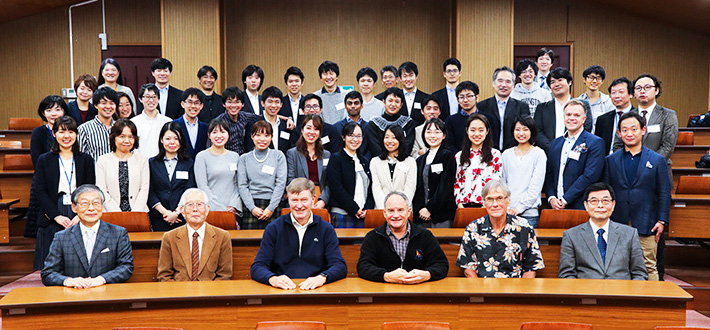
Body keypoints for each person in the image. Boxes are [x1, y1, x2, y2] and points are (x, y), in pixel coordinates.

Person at [604, 112, 671, 281]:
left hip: (647, 222)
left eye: (634, 129)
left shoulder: (657, 160)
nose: (629, 133)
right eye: (624, 130)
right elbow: (606, 192)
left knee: (648, 266)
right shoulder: (611, 160)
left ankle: (652, 305)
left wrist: (662, 220)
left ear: (643, 130)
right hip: (618, 221)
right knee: (616, 266)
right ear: (619, 133)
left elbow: (664, 193)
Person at [251, 178, 347, 290]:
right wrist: (273, 279)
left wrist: (322, 278)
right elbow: (257, 266)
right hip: (282, 291)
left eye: (304, 200)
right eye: (294, 200)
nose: (299, 205)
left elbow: (339, 266)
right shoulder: (274, 228)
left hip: (316, 290)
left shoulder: (326, 229)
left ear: (313, 199)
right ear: (288, 201)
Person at [32, 116, 96, 270]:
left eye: (71, 132)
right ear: (54, 134)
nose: (66, 136)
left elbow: (89, 188)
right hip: (52, 211)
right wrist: (56, 216)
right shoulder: (44, 159)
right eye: (62, 132)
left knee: (77, 264)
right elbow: (39, 191)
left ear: (76, 134)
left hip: (79, 210)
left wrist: (79, 215)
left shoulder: (85, 159)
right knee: (49, 265)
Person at [41, 184, 134, 287]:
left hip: (107, 294)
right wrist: (68, 281)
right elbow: (48, 273)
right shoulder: (62, 237)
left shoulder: (118, 233)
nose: (91, 208)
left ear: (102, 206)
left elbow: (126, 267)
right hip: (74, 295)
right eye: (85, 204)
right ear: (74, 207)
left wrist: (102, 279)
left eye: (96, 203)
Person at [456, 180, 544, 278]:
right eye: (489, 199)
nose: (495, 204)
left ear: (508, 201)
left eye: (500, 198)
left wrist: (521, 291)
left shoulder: (524, 227)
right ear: (484, 203)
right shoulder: (473, 228)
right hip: (482, 288)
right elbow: (469, 270)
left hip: (515, 289)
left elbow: (530, 269)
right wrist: (479, 292)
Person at [558, 183, 648, 280]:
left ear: (613, 205)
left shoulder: (630, 234)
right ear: (586, 205)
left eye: (605, 201)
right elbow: (566, 275)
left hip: (621, 292)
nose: (600, 205)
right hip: (586, 293)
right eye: (594, 201)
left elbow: (639, 274)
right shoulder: (571, 236)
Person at [357, 191, 449, 283]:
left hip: (418, 291)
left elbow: (441, 264)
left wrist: (426, 275)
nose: (396, 215)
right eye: (391, 211)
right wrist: (386, 276)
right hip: (384, 291)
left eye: (400, 210)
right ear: (384, 213)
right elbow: (363, 266)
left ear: (408, 212)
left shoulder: (425, 235)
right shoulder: (373, 236)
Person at [157, 188, 233, 281]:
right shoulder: (170, 237)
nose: (195, 209)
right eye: (190, 205)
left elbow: (224, 276)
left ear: (207, 209)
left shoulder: (222, 236)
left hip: (210, 293)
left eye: (200, 204)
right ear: (182, 210)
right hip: (180, 292)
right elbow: (164, 276)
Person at [545, 99, 604, 210]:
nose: (571, 118)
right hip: (555, 207)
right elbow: (549, 174)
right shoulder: (556, 143)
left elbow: (590, 176)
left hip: (580, 206)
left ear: (584, 119)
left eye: (576, 115)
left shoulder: (595, 142)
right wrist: (551, 198)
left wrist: (565, 199)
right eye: (568, 114)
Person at [26, 95, 68, 238]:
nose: (54, 114)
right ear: (43, 113)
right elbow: (36, 159)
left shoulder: (69, 132)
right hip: (45, 181)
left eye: (58, 109)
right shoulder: (38, 132)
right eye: (49, 110)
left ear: (64, 111)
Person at [237, 120, 287, 229]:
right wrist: (252, 208)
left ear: (271, 137)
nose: (262, 139)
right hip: (251, 205)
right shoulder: (243, 159)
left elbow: (280, 184)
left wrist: (271, 208)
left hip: (274, 204)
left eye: (266, 135)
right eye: (258, 135)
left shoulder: (278, 156)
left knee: (274, 243)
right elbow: (242, 185)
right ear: (252, 136)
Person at [148, 122, 196, 231]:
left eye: (176, 138)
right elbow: (150, 192)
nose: (172, 142)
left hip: (181, 216)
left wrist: (176, 213)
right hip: (159, 217)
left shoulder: (188, 163)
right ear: (161, 140)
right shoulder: (152, 163)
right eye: (168, 138)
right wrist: (165, 212)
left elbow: (189, 190)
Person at [500, 116, 546, 228]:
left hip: (529, 214)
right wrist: (507, 208)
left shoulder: (538, 154)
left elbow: (536, 186)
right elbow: (502, 183)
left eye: (525, 129)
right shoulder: (506, 154)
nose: (521, 133)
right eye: (517, 129)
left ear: (532, 131)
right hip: (507, 212)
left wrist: (519, 208)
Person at [95, 119, 150, 212]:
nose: (127, 141)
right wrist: (117, 213)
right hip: (110, 213)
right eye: (122, 136)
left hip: (138, 213)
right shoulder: (103, 160)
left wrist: (135, 213)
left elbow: (144, 189)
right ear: (114, 137)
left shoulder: (142, 160)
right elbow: (102, 190)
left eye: (131, 137)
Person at [534, 67, 593, 153]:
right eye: (552, 82)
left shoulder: (582, 105)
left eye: (560, 80)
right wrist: (553, 148)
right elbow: (537, 132)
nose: (556, 84)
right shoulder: (542, 108)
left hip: (574, 152)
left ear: (569, 82)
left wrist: (569, 148)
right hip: (548, 153)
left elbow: (587, 127)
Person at [326, 122, 373, 228]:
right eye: (351, 135)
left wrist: (366, 209)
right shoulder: (336, 159)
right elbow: (337, 188)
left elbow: (370, 189)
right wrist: (354, 209)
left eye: (358, 136)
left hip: (363, 215)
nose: (355, 139)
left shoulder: (364, 161)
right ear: (343, 137)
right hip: (342, 214)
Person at [413, 118, 457, 228]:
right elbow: (418, 189)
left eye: (437, 132)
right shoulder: (420, 160)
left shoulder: (447, 156)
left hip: (442, 215)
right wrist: (421, 210)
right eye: (429, 132)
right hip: (422, 216)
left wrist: (429, 208)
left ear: (444, 135)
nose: (432, 136)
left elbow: (445, 187)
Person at [194, 119, 242, 215]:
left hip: (232, 210)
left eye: (223, 132)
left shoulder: (235, 156)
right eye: (215, 132)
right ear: (209, 135)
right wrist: (220, 208)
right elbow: (202, 185)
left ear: (228, 134)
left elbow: (238, 184)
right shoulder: (202, 156)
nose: (219, 136)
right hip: (211, 209)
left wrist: (233, 205)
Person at [476, 67, 530, 151]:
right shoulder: (481, 106)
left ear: (513, 85)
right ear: (493, 83)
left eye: (508, 81)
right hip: (487, 153)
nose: (504, 85)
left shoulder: (522, 107)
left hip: (514, 153)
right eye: (500, 81)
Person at [454, 114, 502, 207]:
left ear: (487, 131)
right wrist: (459, 204)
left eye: (481, 130)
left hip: (486, 205)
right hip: (464, 206)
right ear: (467, 131)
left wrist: (487, 203)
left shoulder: (495, 155)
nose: (476, 134)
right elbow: (457, 182)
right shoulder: (459, 156)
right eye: (472, 130)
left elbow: (496, 181)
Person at [287, 114, 330, 209]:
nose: (312, 132)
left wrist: (323, 200)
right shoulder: (292, 153)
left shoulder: (326, 155)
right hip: (299, 198)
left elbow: (329, 182)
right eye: (309, 128)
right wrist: (303, 199)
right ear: (302, 130)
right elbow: (291, 180)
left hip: (320, 199)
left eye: (316, 129)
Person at [370, 125, 417, 209]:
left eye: (394, 137)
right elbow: (376, 188)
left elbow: (410, 188)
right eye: (386, 137)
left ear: (400, 140)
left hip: (404, 210)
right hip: (382, 210)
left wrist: (400, 208)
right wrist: (386, 209)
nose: (389, 141)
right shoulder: (375, 162)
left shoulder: (410, 162)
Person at [364, 87, 416, 157]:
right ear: (384, 102)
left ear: (401, 105)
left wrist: (396, 160)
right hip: (380, 162)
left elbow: (408, 146)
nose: (393, 104)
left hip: (402, 162)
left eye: (397, 102)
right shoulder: (373, 124)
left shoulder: (408, 123)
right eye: (390, 101)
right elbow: (375, 148)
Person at [444, 81, 494, 153]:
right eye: (461, 97)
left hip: (485, 158)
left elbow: (493, 142)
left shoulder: (488, 119)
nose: (465, 100)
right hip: (459, 160)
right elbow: (449, 145)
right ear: (457, 100)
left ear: (477, 97)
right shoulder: (451, 120)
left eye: (469, 96)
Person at [244, 86, 294, 154]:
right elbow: (249, 148)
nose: (273, 105)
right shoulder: (254, 124)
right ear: (262, 103)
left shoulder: (287, 125)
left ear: (281, 104)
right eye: (270, 101)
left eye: (277, 102)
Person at [595, 77, 636, 155]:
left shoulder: (638, 116)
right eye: (613, 92)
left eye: (621, 92)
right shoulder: (602, 119)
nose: (617, 96)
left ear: (631, 94)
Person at [215, 86, 261, 154]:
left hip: (244, 159)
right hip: (226, 158)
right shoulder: (219, 121)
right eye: (230, 102)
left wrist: (281, 118)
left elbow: (262, 117)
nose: (233, 105)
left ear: (243, 104)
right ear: (224, 104)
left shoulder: (244, 116)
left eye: (237, 102)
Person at [78, 87, 118, 163]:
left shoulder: (120, 128)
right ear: (96, 105)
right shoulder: (84, 129)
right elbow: (80, 157)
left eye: (112, 103)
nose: (108, 106)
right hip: (94, 173)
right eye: (104, 103)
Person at [131, 83, 172, 158]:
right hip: (140, 164)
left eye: (154, 97)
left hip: (162, 164)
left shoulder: (167, 122)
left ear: (158, 99)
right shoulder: (133, 122)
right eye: (147, 97)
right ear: (140, 99)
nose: (151, 100)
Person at [173, 88, 208, 159]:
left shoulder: (206, 128)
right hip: (180, 167)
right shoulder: (174, 125)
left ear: (201, 106)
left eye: (197, 103)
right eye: (189, 102)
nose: (193, 106)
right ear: (182, 104)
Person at [578, 65, 616, 130]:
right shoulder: (578, 102)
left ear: (602, 81)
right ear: (584, 80)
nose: (594, 81)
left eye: (598, 78)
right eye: (591, 77)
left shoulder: (609, 102)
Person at [313, 60, 347, 125]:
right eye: (325, 74)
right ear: (321, 77)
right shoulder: (315, 97)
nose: (328, 77)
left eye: (331, 74)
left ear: (337, 76)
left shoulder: (346, 95)